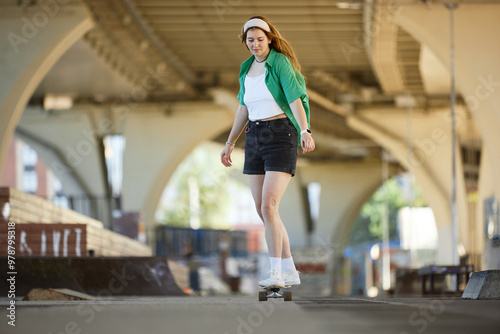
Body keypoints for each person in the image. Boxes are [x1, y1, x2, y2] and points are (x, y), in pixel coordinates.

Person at [220, 16, 315, 287]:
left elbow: (295, 98)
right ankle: (289, 270)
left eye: (260, 39)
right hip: (253, 138)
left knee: (269, 205)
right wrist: (230, 142)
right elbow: (243, 107)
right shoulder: (246, 68)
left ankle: (276, 273)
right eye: (250, 40)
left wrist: (304, 130)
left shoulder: (280, 63)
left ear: (270, 39)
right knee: (263, 212)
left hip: (281, 134)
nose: (255, 44)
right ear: (245, 42)